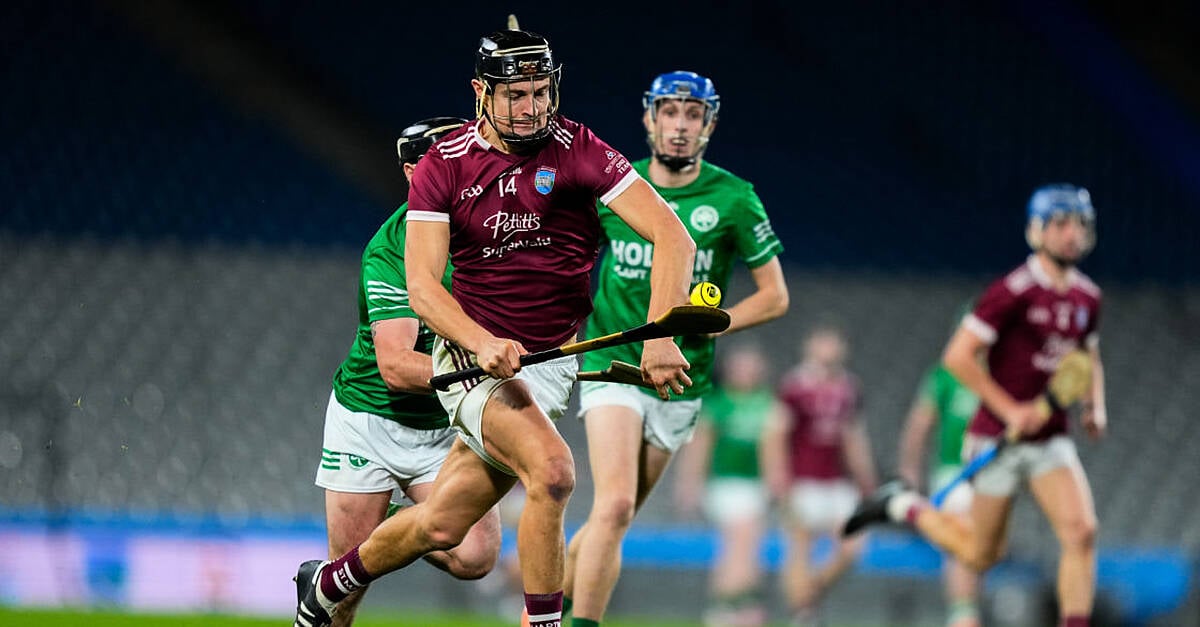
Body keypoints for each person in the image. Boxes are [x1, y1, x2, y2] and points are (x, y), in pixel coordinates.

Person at [292, 27, 696, 627]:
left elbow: (672, 235)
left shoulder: (578, 148)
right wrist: (481, 343)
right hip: (471, 359)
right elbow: (425, 288)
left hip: (549, 362)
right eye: (515, 95)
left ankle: (330, 582)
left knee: (445, 524)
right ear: (481, 91)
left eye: (540, 92)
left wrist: (661, 336)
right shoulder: (442, 166)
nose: (531, 108)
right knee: (554, 474)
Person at [561, 70, 788, 627]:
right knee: (612, 506)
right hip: (614, 364)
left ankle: (544, 605)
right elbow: (569, 260)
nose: (680, 127)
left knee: (611, 522)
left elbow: (776, 296)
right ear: (649, 119)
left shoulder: (734, 198)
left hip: (682, 379)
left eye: (692, 116)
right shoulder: (620, 189)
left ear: (708, 125)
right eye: (669, 113)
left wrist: (715, 322)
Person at [845, 183, 1107, 627]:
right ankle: (902, 506)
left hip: (1049, 438)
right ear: (1037, 231)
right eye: (1060, 223)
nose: (1071, 233)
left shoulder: (1088, 297)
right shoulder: (1011, 291)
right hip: (995, 439)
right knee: (980, 554)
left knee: (1081, 532)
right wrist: (1009, 411)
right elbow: (957, 357)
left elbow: (1087, 356)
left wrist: (1093, 406)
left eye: (1079, 223)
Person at [314, 116, 502, 626]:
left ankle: (384, 525)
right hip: (370, 418)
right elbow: (396, 366)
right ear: (414, 171)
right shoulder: (389, 249)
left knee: (476, 555)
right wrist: (480, 368)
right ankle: (361, 538)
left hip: (444, 425)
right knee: (345, 591)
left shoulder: (494, 231)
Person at [759, 325, 877, 626]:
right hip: (802, 479)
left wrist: (866, 478)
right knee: (799, 548)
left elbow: (853, 437)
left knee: (853, 546)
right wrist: (778, 478)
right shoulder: (795, 386)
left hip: (836, 481)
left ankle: (811, 590)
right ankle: (803, 615)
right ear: (810, 346)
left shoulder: (849, 387)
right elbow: (774, 435)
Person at [674, 344, 783, 627]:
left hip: (754, 486)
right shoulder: (718, 403)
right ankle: (727, 606)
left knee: (747, 547)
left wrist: (777, 482)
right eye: (740, 367)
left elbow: (774, 449)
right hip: (725, 484)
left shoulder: (767, 403)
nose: (746, 373)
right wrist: (689, 484)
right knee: (740, 542)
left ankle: (739, 605)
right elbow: (699, 448)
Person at [897, 304, 982, 627]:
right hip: (954, 474)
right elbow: (919, 424)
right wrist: (910, 469)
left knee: (979, 548)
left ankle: (968, 610)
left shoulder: (1000, 378)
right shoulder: (945, 375)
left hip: (988, 479)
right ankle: (962, 614)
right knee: (961, 540)